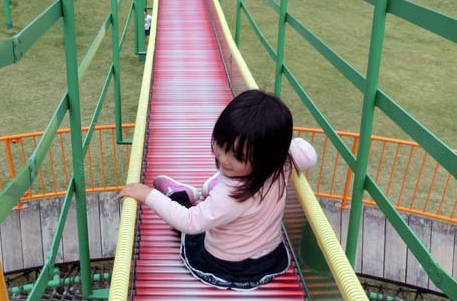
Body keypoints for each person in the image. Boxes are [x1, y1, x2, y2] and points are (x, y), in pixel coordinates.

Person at [118, 89, 316, 290]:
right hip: (268, 257)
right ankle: (206, 189)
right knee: (220, 191)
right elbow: (309, 154)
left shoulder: (230, 195)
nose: (223, 159)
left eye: (238, 157)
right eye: (221, 144)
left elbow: (190, 222)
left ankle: (178, 195)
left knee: (194, 224)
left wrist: (147, 195)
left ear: (266, 157)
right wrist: (284, 145)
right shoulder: (282, 162)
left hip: (227, 265)